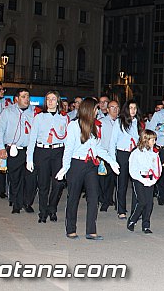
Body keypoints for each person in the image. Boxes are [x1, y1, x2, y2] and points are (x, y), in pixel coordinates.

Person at [56, 97, 120, 240]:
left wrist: (111, 161)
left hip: (91, 165)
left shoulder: (94, 126)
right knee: (73, 197)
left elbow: (98, 148)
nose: (98, 111)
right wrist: (65, 167)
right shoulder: (74, 126)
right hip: (76, 165)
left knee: (93, 197)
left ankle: (91, 230)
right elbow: (69, 149)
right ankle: (70, 229)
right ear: (89, 109)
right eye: (96, 108)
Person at [26, 90, 69, 222]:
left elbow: (67, 140)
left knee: (58, 184)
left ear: (58, 102)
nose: (50, 101)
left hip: (58, 152)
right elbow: (32, 139)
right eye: (48, 99)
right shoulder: (39, 117)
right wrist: (29, 158)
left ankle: (52, 209)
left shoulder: (64, 118)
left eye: (53, 99)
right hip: (42, 151)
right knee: (43, 184)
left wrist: (67, 161)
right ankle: (43, 212)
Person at [0, 88, 36, 214]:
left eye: (28, 96)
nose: (27, 99)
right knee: (15, 178)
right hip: (14, 150)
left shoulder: (35, 112)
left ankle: (27, 202)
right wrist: (1, 147)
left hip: (29, 150)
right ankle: (16, 204)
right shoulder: (7, 112)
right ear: (17, 99)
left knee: (30, 178)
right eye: (23, 96)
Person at [109, 100, 143, 219]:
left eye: (135, 108)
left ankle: (136, 209)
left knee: (137, 183)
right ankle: (121, 209)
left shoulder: (138, 122)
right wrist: (113, 160)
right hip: (122, 153)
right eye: (130, 108)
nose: (133, 110)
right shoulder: (119, 122)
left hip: (134, 154)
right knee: (122, 183)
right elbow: (112, 141)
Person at [127, 129, 160, 234]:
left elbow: (157, 168)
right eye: (152, 140)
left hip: (150, 179)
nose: (154, 142)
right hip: (139, 179)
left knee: (149, 203)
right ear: (145, 140)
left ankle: (146, 225)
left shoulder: (154, 153)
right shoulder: (136, 153)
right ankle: (133, 219)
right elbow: (132, 170)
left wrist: (153, 180)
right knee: (142, 201)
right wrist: (141, 180)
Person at [98, 100, 119, 211]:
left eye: (116, 107)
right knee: (103, 178)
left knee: (113, 179)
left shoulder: (121, 121)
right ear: (107, 109)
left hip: (117, 153)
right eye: (112, 107)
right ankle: (103, 199)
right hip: (105, 153)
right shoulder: (102, 122)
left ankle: (109, 199)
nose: (115, 109)